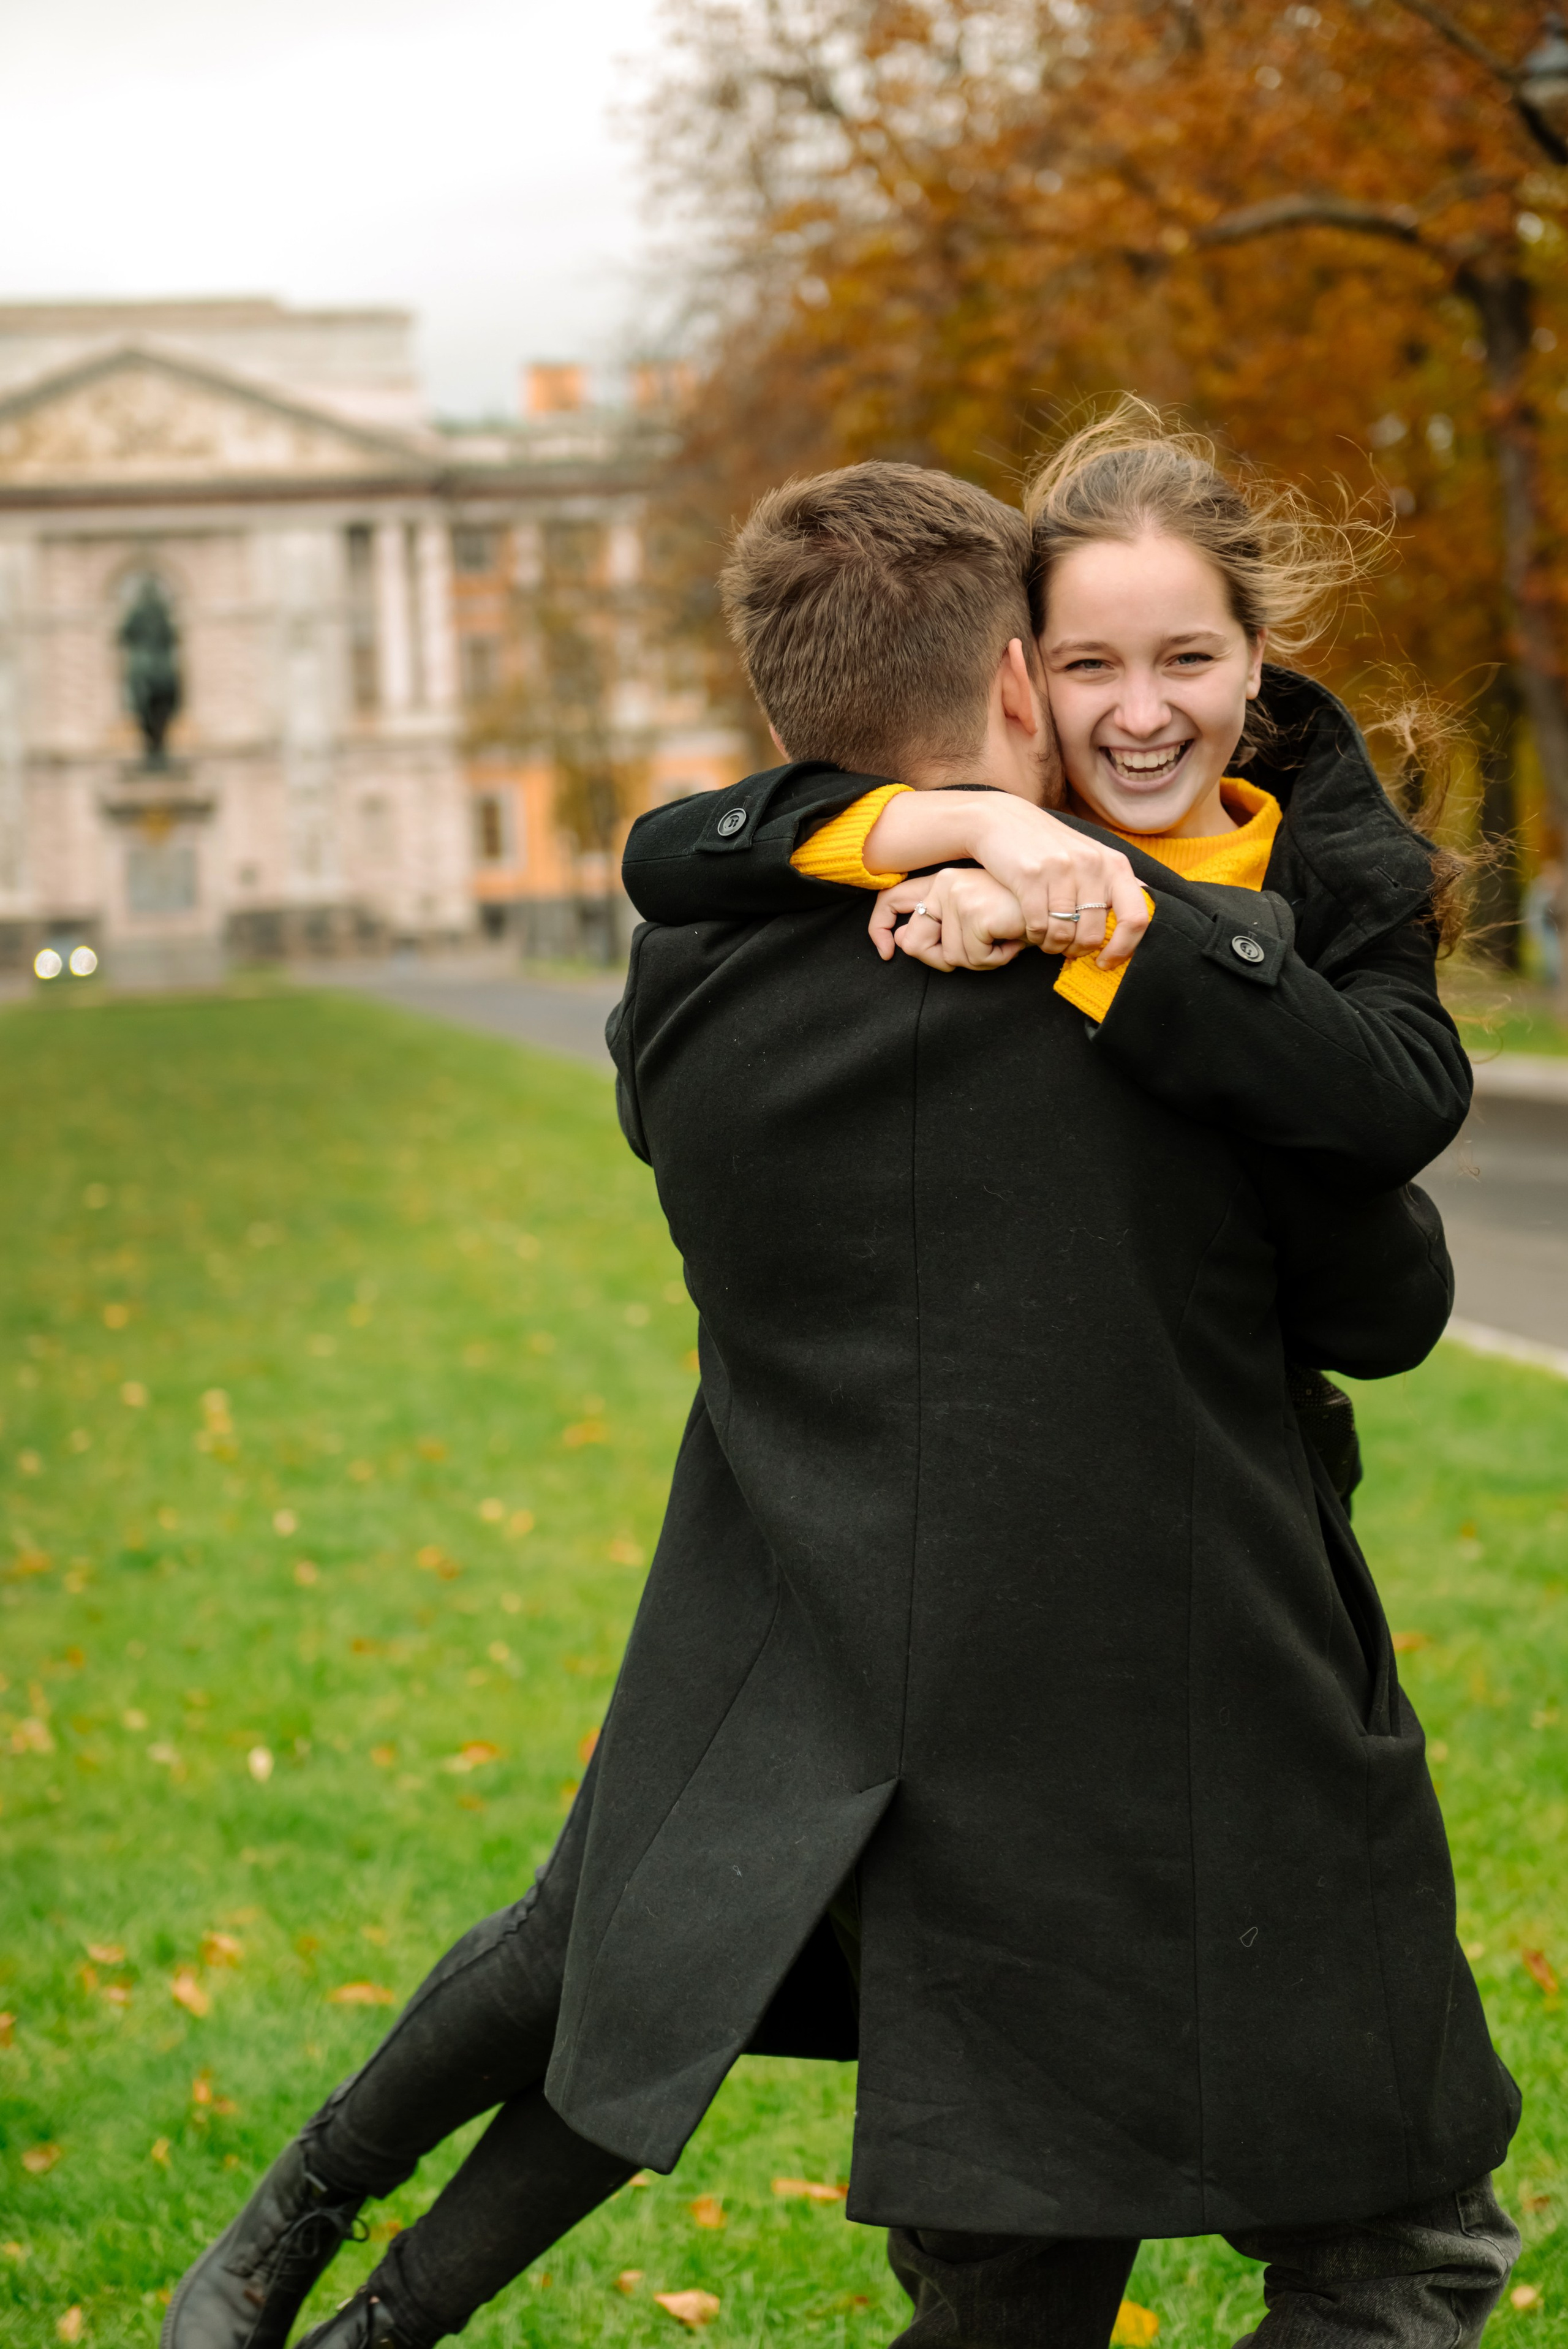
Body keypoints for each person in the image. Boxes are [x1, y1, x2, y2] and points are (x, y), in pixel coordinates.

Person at [165, 462, 1512, 2349]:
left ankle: (331, 2263)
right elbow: (1393, 1288)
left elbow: (680, 852)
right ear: (1020, 680)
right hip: (1137, 1697)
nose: (1142, 712)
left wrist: (1004, 859)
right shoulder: (1124, 1008)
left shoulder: (701, 976)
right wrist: (1099, 919)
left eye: (1190, 663)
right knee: (1376, 2242)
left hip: (832, 1623)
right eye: (1089, 665)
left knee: (618, 1958)